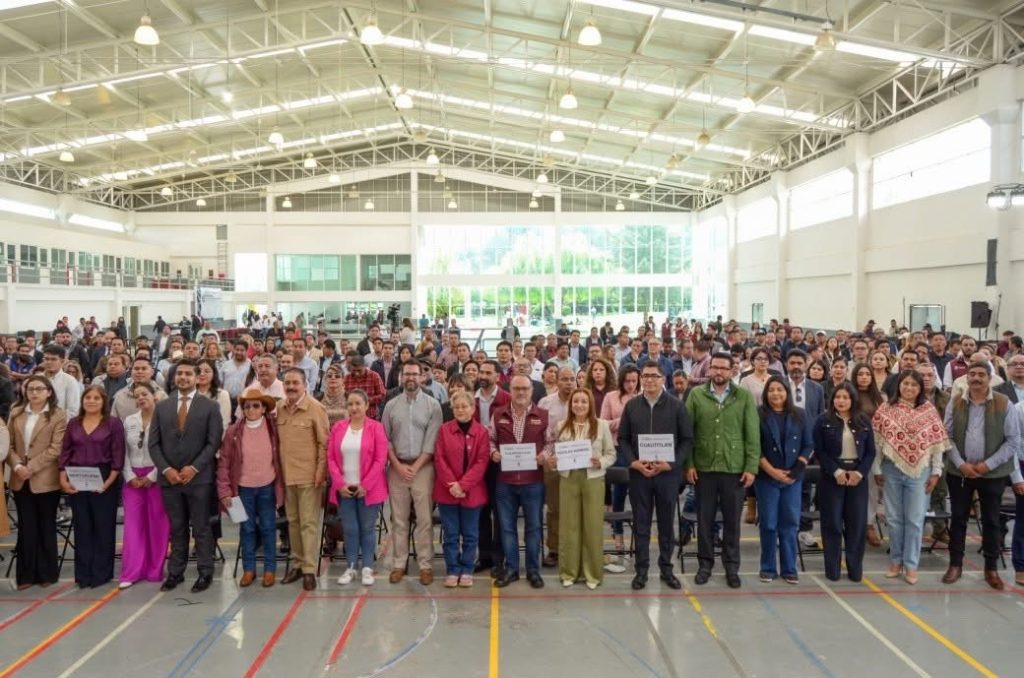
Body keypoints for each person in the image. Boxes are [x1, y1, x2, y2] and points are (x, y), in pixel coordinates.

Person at [942, 361, 1022, 590]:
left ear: (990, 378)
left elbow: (1013, 441)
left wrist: (988, 465)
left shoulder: (1003, 403)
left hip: (993, 474)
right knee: (957, 519)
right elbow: (946, 437)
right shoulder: (955, 402)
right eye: (972, 374)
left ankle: (991, 569)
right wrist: (960, 463)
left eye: (981, 374)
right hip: (960, 473)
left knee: (991, 521)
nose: (976, 378)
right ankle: (955, 565)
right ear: (966, 378)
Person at [149, 359, 225, 593]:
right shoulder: (162, 407)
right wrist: (166, 470)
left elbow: (213, 443)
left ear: (197, 377)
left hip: (199, 478)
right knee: (177, 527)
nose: (183, 377)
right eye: (179, 373)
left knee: (201, 527)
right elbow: (153, 444)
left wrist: (194, 468)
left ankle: (205, 572)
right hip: (170, 479)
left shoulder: (210, 406)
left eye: (187, 374)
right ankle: (175, 572)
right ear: (173, 378)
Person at [685, 352, 758, 588]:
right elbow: (687, 434)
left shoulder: (744, 397)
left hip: (734, 469)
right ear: (709, 370)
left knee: (732, 522)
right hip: (704, 468)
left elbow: (752, 434)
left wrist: (750, 466)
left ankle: (731, 566)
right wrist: (689, 464)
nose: (718, 372)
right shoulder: (696, 395)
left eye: (723, 368)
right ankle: (705, 564)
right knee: (705, 520)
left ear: (731, 371)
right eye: (714, 368)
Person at [619, 362, 693, 590]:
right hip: (640, 475)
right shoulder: (632, 406)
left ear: (664, 379)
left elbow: (687, 440)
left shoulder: (676, 406)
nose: (649, 380)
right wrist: (634, 462)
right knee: (641, 524)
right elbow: (622, 439)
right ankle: (641, 571)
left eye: (654, 376)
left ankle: (666, 569)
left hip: (666, 476)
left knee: (665, 524)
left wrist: (670, 464)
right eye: (645, 376)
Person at [871, 371, 947, 585]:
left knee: (914, 519)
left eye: (915, 385)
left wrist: (936, 472)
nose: (910, 388)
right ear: (899, 385)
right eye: (906, 384)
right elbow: (877, 443)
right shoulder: (886, 409)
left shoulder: (929, 411)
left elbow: (937, 446)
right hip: (891, 469)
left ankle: (911, 565)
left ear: (921, 388)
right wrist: (877, 469)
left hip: (920, 471)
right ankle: (896, 561)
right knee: (894, 519)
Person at [381, 360, 442, 585]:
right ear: (401, 377)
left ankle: (425, 565)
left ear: (422, 377)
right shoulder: (391, 406)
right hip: (397, 468)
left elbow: (432, 441)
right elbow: (385, 439)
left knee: (425, 519)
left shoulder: (433, 405)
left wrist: (415, 467)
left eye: (415, 374)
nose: (411, 378)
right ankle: (399, 564)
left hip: (423, 468)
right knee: (399, 519)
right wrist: (398, 465)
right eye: (407, 374)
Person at [59, 386, 125, 588]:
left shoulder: (113, 424)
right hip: (77, 476)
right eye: (88, 397)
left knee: (103, 527)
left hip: (104, 476)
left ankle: (101, 573)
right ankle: (83, 574)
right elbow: (65, 451)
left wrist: (109, 481)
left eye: (96, 398)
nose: (92, 401)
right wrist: (63, 477)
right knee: (82, 526)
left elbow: (118, 454)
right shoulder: (74, 423)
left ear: (103, 401)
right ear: (82, 400)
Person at [217, 388, 284, 587]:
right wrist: (224, 491)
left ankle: (270, 570)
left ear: (264, 408)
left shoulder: (274, 428)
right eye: (247, 406)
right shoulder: (233, 432)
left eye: (256, 406)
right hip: (242, 490)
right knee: (246, 529)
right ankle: (249, 569)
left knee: (268, 528)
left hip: (267, 487)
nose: (252, 409)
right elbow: (224, 463)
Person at [7, 375, 68, 589]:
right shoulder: (16, 413)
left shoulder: (58, 415)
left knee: (45, 525)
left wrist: (30, 468)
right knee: (26, 526)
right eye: (30, 388)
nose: (34, 392)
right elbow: (9, 445)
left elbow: (56, 448)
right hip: (19, 478)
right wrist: (17, 467)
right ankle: (25, 575)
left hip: (45, 478)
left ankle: (46, 574)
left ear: (49, 392)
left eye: (39, 389)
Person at [551, 388, 616, 589]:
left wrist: (601, 462)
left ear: (590, 405)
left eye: (584, 402)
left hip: (593, 479)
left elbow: (611, 454)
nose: (579, 405)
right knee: (568, 526)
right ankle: (569, 572)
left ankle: (592, 574)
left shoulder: (602, 425)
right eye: (576, 401)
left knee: (592, 526)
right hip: (569, 479)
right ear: (571, 405)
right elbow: (555, 454)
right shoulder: (561, 426)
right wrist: (554, 460)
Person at [490, 374, 551, 589]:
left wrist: (545, 454)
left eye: (525, 388)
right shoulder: (498, 414)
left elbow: (551, 442)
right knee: (507, 528)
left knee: (534, 527)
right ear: (511, 390)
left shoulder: (543, 415)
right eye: (516, 388)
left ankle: (533, 570)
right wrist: (493, 453)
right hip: (505, 482)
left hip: (533, 481)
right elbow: (490, 440)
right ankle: (512, 569)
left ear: (532, 390)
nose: (521, 392)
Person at [814, 383, 876, 582]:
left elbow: (870, 452)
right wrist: (836, 471)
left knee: (856, 524)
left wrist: (859, 473)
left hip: (857, 476)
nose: (841, 401)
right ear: (832, 400)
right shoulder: (823, 421)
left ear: (853, 400)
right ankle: (832, 569)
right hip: (832, 477)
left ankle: (855, 569)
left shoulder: (863, 420)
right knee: (832, 523)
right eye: (838, 397)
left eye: (845, 397)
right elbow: (819, 451)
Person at [328, 389, 389, 586]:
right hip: (345, 489)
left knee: (367, 528)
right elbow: (330, 457)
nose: (354, 408)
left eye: (358, 404)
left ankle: (367, 568)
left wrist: (366, 485)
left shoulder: (376, 428)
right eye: (350, 404)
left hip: (369, 489)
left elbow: (381, 459)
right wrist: (339, 483)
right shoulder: (338, 427)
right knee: (350, 529)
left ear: (366, 406)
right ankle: (351, 567)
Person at [756, 376, 813, 584]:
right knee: (769, 523)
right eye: (771, 390)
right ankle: (768, 567)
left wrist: (796, 469)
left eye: (780, 390)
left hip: (793, 478)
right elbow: (755, 446)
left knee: (789, 523)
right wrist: (772, 471)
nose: (776, 394)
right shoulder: (758, 415)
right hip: (766, 478)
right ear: (766, 393)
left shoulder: (800, 414)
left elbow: (808, 444)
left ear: (787, 392)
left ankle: (790, 568)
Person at [276, 368, 330, 591]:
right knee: (293, 522)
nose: (290, 387)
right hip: (287, 476)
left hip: (309, 477)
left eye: (295, 383)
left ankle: (309, 569)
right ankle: (297, 563)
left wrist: (320, 473)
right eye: (287, 383)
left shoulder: (315, 408)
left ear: (305, 385)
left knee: (308, 524)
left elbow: (324, 444)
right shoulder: (279, 408)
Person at [433, 391, 491, 587]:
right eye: (456, 407)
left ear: (473, 409)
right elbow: (439, 459)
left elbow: (482, 462)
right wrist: (452, 485)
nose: (460, 410)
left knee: (470, 533)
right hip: (447, 491)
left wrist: (463, 485)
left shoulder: (482, 432)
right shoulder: (443, 430)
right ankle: (452, 569)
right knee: (450, 533)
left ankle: (466, 568)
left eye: (464, 406)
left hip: (472, 492)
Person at [119, 382, 169, 588]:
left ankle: (154, 570)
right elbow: (123, 452)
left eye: (144, 394)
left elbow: (168, 451)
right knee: (133, 527)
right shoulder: (129, 421)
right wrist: (129, 475)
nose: (141, 398)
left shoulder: (164, 420)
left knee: (157, 525)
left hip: (156, 478)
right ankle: (132, 572)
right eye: (137, 395)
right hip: (133, 480)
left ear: (154, 396)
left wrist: (153, 475)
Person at [538, 366, 576, 568]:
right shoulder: (545, 403)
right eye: (564, 379)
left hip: (577, 462)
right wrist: (547, 456)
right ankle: (553, 549)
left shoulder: (582, 400)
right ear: (556, 380)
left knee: (575, 508)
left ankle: (573, 548)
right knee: (554, 509)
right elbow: (541, 433)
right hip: (553, 462)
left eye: (572, 379)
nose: (568, 383)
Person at [600, 364, 640, 556]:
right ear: (621, 380)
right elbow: (603, 424)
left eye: (634, 381)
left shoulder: (641, 397)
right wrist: (624, 420)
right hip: (617, 449)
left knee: (639, 495)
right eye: (627, 381)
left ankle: (639, 534)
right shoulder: (611, 397)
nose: (631, 385)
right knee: (618, 495)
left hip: (638, 450)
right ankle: (617, 533)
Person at [40, 344, 81, 416]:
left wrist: (56, 424)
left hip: (60, 424)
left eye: (53, 359)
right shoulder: (36, 379)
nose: (49, 362)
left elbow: (73, 411)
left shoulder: (70, 381)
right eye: (46, 359)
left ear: (62, 361)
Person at [196, 358, 231, 427]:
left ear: (214, 374)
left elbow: (224, 423)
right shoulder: (189, 394)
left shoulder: (222, 395)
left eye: (207, 371)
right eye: (199, 371)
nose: (202, 374)